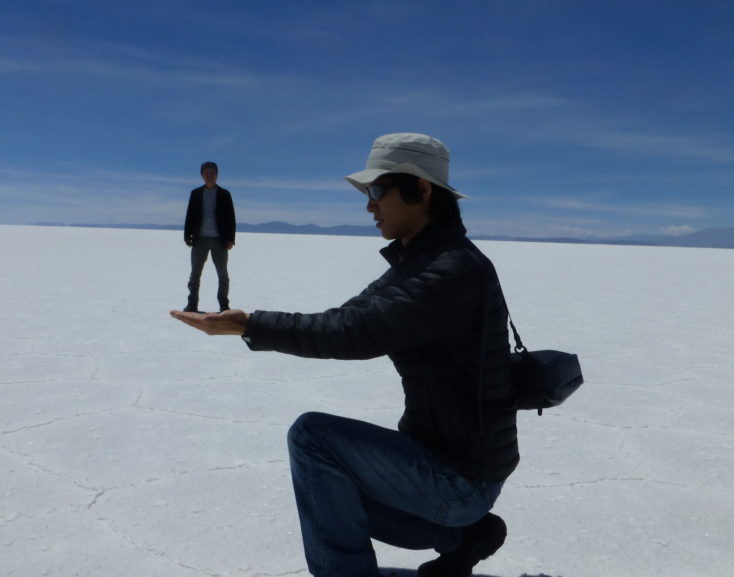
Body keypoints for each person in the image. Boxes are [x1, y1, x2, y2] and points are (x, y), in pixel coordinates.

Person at [170, 133, 516, 577]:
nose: (369, 206)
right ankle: (462, 536)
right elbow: (348, 315)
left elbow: (354, 333)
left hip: (460, 479)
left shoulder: (450, 271)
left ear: (421, 190)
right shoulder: (420, 263)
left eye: (378, 190)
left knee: (311, 438)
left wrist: (251, 325)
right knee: (326, 486)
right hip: (446, 462)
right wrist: (251, 323)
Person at [183, 161, 236, 312]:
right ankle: (192, 304)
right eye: (206, 172)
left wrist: (231, 239)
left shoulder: (225, 194)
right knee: (195, 274)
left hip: (220, 240)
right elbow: (190, 215)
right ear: (202, 175)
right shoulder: (196, 194)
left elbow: (231, 218)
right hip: (200, 239)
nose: (209, 175)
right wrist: (187, 235)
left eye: (212, 172)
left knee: (223, 275)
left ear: (217, 174)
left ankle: (224, 305)